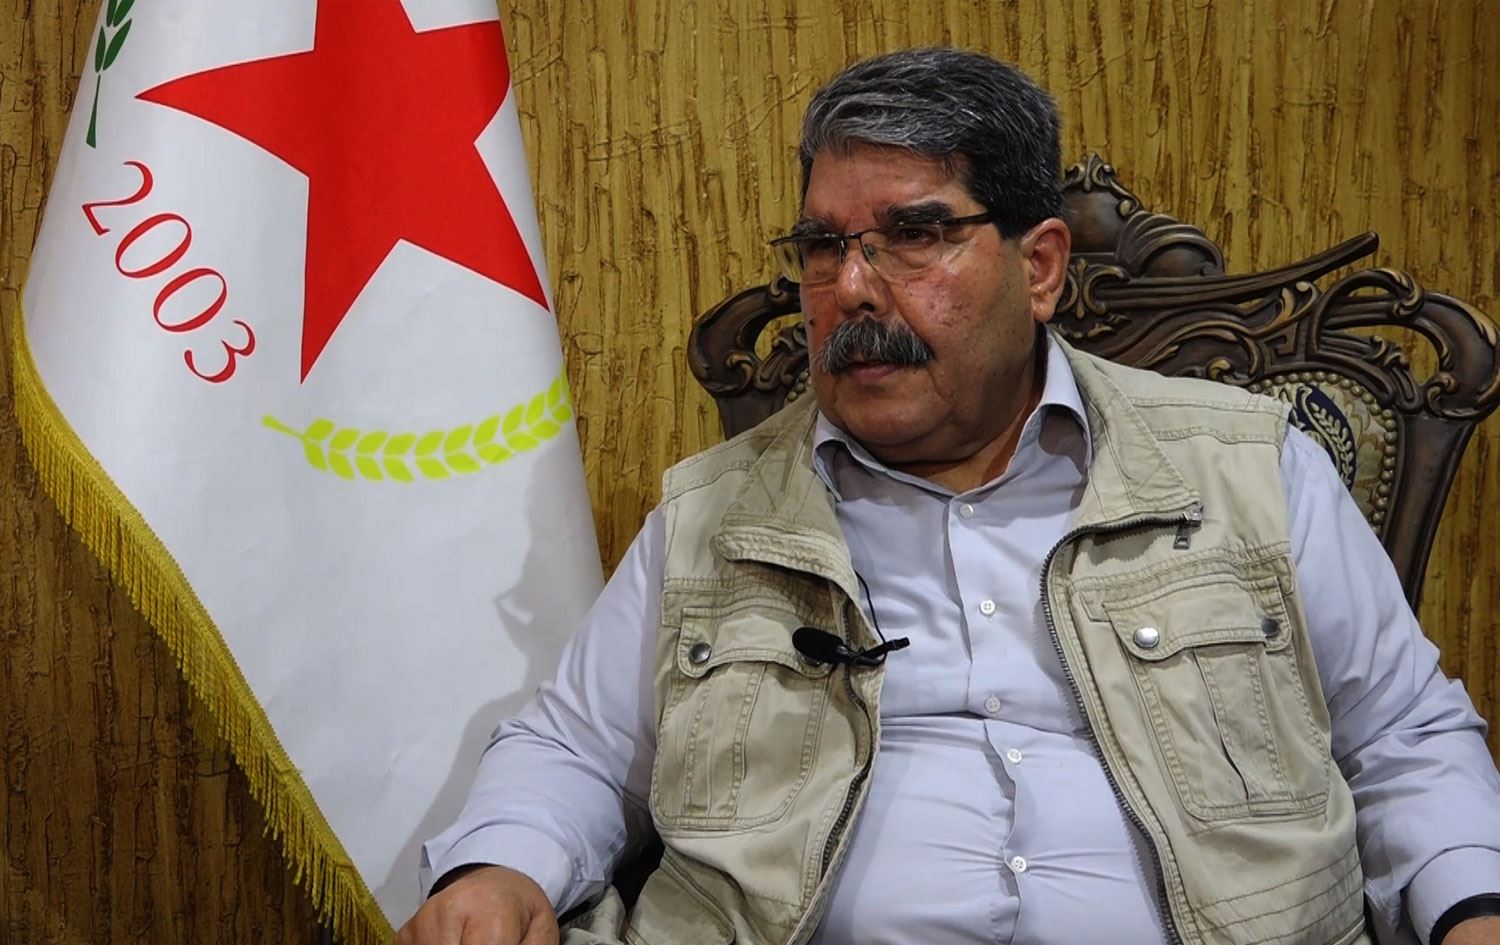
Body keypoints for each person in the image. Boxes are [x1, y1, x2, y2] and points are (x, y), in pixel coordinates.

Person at [397, 48, 1500, 945]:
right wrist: (500, 869)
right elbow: (575, 750)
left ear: (1039, 266)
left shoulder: (1249, 470)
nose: (852, 287)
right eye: (824, 246)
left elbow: (1405, 739)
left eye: (914, 236)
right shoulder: (715, 514)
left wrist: (1473, 909)